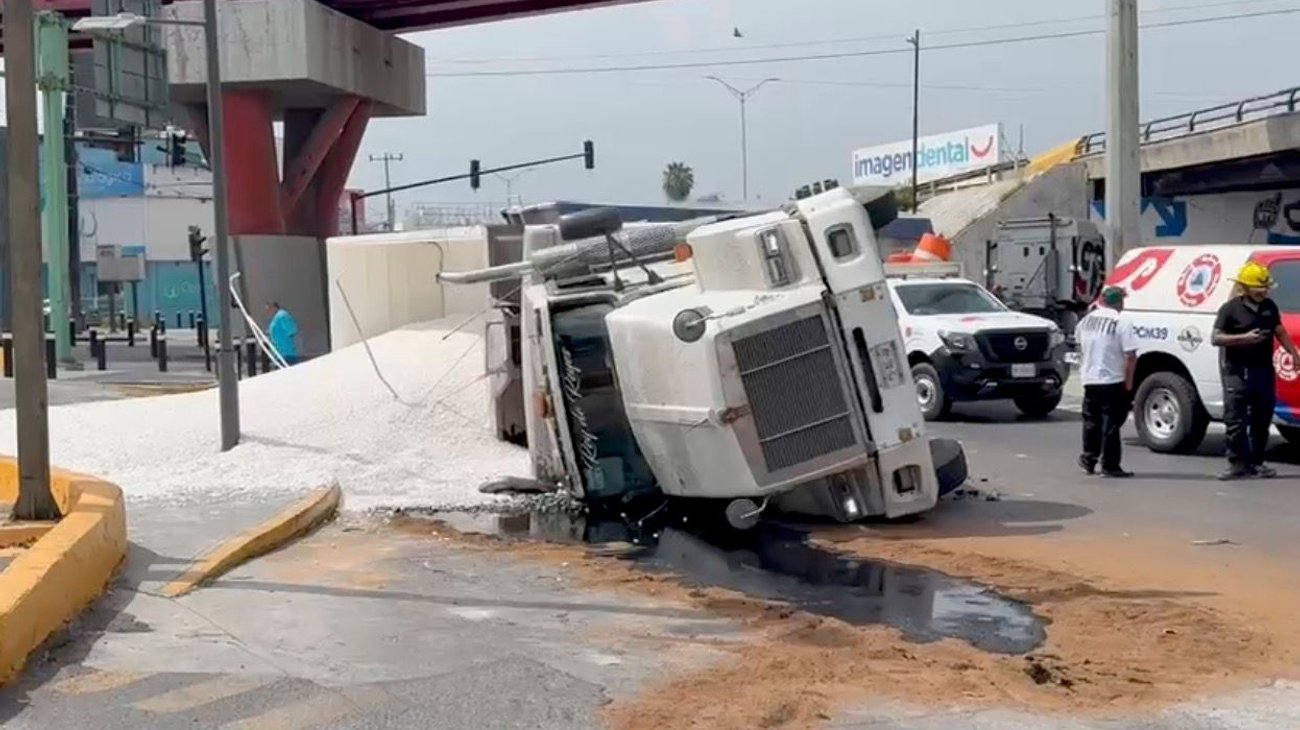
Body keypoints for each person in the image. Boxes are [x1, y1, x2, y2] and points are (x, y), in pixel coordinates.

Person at [1212, 262, 1299, 480]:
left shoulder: (1269, 306)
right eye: (1258, 288)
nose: (1264, 292)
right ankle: (1236, 464)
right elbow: (1216, 338)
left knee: (1262, 420)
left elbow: (1279, 331)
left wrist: (1294, 354)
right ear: (1244, 288)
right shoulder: (1230, 309)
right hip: (1237, 373)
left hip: (1263, 371)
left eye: (1265, 288)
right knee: (1235, 421)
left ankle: (1257, 463)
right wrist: (1244, 338)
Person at [1076, 286, 1138, 478]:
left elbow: (1080, 347)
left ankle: (1089, 459)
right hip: (1112, 380)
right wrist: (1129, 383)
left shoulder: (1085, 321)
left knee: (1091, 421)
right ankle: (1110, 465)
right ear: (1120, 302)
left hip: (1089, 378)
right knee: (1110, 423)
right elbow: (1131, 356)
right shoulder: (1121, 321)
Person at [266, 302, 300, 366]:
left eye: (269, 309)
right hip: (279, 353)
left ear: (274, 307)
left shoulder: (282, 315)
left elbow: (292, 330)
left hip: (286, 353)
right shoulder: (276, 318)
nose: (268, 312)